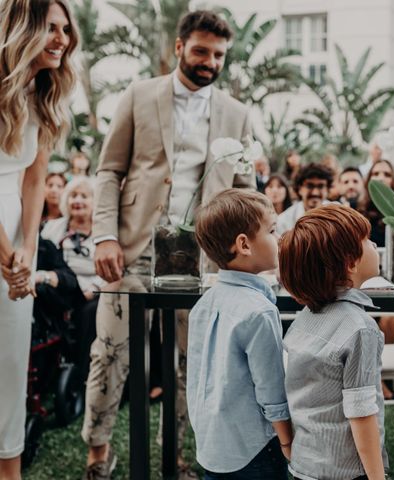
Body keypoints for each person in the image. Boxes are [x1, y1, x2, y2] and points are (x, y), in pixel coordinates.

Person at [85, 11, 253, 479]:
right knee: (111, 352)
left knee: (189, 362)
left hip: (201, 259)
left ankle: (175, 456)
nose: (210, 62)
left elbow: (244, 189)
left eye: (218, 54)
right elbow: (108, 171)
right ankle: (97, 452)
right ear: (179, 47)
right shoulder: (138, 95)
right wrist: (104, 235)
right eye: (201, 51)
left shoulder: (237, 114)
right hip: (132, 250)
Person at [0, 1, 77, 477]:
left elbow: (33, 179)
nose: (62, 39)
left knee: (10, 362)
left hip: (17, 239)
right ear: (21, 29)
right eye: (50, 28)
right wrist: (6, 256)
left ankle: (10, 470)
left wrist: (27, 249)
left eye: (66, 30)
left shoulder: (42, 92)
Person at [188, 189, 292, 479]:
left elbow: (196, 376)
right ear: (244, 244)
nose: (279, 238)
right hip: (254, 448)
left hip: (212, 446)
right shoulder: (259, 311)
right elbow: (271, 390)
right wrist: (287, 440)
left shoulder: (204, 304)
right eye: (272, 230)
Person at [280, 204, 387, 480]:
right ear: (350, 262)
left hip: (305, 465)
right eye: (367, 241)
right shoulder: (361, 328)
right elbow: (361, 414)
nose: (374, 244)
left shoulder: (305, 317)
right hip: (346, 471)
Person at [40, 176, 103, 380]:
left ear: (94, 202)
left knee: (91, 313)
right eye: (73, 195)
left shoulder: (102, 231)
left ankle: (82, 373)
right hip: (59, 288)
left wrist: (95, 287)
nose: (78, 200)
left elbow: (112, 268)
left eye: (84, 196)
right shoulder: (53, 228)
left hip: (90, 291)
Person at [276, 163, 333, 235]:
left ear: (327, 189)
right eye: (310, 186)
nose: (315, 193)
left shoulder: (337, 213)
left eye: (320, 186)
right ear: (299, 188)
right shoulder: (283, 222)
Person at [359, 159, 394, 247]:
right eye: (375, 174)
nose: (380, 178)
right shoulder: (356, 208)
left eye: (387, 175)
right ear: (369, 179)